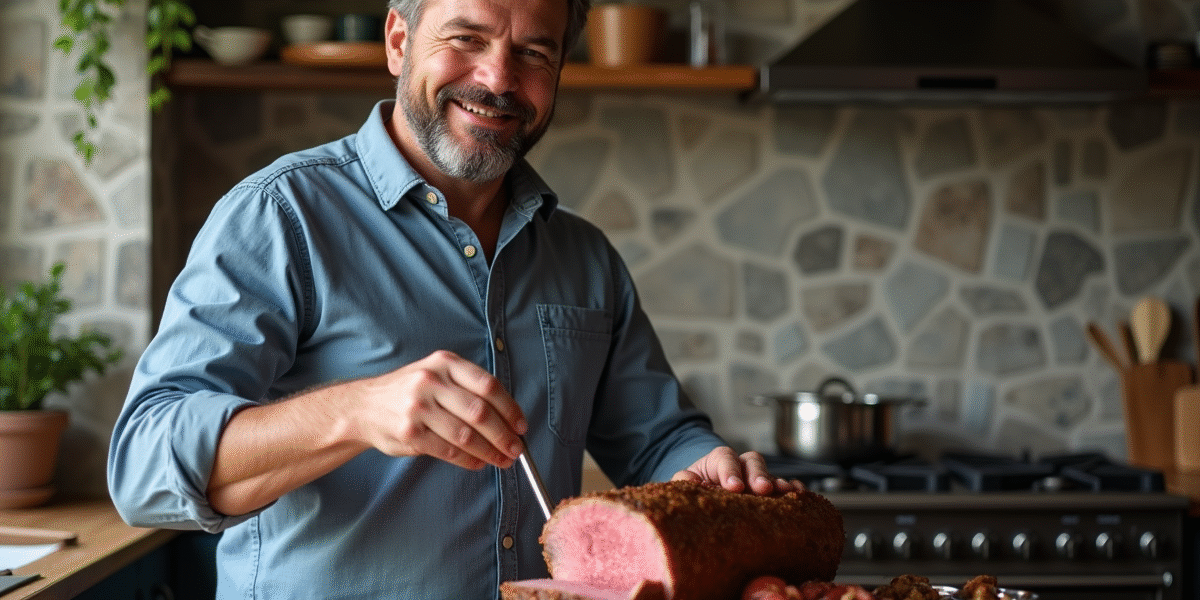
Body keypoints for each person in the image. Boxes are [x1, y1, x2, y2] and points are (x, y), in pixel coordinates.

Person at [108, 0, 800, 598]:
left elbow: (656, 441)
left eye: (533, 51)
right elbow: (143, 467)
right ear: (399, 41)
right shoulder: (280, 216)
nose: (498, 79)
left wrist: (705, 464)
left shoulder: (585, 258)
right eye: (466, 38)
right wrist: (357, 409)